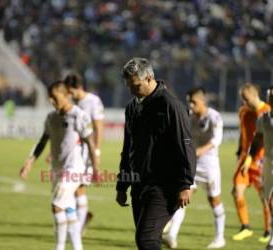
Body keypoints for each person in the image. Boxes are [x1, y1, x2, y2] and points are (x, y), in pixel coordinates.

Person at [115, 57, 196, 250]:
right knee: (147, 241)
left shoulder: (171, 106)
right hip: (138, 185)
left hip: (164, 187)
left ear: (149, 78)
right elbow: (128, 148)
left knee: (147, 239)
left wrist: (186, 184)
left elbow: (185, 145)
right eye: (128, 86)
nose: (131, 90)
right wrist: (122, 184)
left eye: (135, 85)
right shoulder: (132, 108)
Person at [20, 81, 99, 250]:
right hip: (57, 169)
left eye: (54, 97)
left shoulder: (79, 115)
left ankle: (59, 247)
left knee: (56, 205)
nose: (51, 100)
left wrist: (95, 169)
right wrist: (29, 161)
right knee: (69, 208)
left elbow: (90, 143)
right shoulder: (51, 117)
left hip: (74, 169)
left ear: (66, 95)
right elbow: (43, 141)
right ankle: (77, 247)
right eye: (50, 97)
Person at [163, 87, 226, 249]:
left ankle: (220, 238)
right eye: (189, 102)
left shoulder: (214, 117)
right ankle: (171, 236)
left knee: (214, 200)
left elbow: (216, 141)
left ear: (202, 101)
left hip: (209, 166)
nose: (190, 105)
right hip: (191, 165)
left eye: (193, 102)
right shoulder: (189, 116)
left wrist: (197, 151)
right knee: (182, 198)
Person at [64, 72, 104, 233]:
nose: (69, 93)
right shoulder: (73, 103)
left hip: (88, 151)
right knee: (74, 187)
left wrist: (97, 151)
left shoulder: (93, 101)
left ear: (77, 87)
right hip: (73, 151)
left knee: (78, 186)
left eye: (70, 90)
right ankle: (82, 218)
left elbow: (98, 128)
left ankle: (78, 226)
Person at [232, 83, 271, 242]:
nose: (245, 103)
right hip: (244, 159)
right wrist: (239, 153)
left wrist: (251, 157)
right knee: (237, 191)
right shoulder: (243, 112)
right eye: (243, 100)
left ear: (255, 95)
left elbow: (261, 139)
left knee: (265, 197)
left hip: (261, 160)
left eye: (246, 99)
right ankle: (245, 227)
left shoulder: (267, 112)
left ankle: (268, 231)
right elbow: (243, 134)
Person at [242, 86, 273, 250]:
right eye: (270, 95)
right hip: (268, 163)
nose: (270, 98)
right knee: (269, 200)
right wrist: (248, 159)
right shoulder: (264, 118)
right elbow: (257, 140)